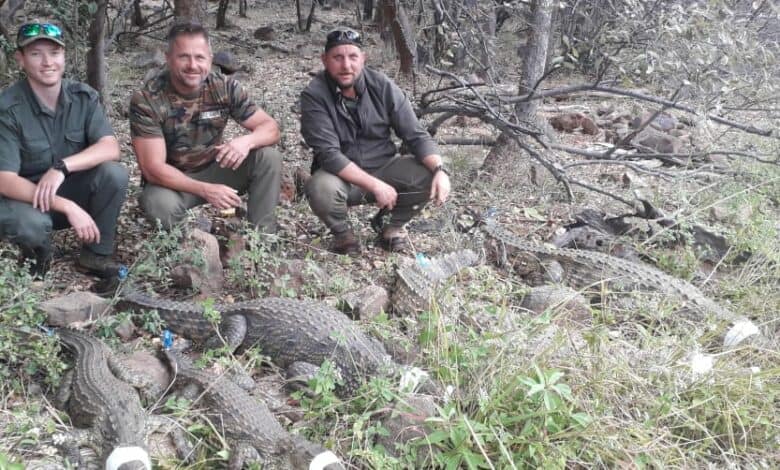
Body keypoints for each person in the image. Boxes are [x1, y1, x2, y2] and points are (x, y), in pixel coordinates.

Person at [300, 27, 450, 254]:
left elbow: (416, 134)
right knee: (320, 188)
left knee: (429, 175)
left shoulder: (382, 85)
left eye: (353, 57)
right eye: (337, 57)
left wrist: (440, 170)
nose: (346, 65)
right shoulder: (314, 94)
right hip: (341, 177)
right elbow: (329, 155)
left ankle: (391, 227)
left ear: (363, 58)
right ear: (324, 60)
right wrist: (375, 185)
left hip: (384, 166)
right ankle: (343, 236)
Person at [0, 22, 128, 276]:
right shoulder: (7, 109)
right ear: (20, 59)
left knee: (114, 174)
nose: (47, 62)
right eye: (36, 54)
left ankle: (96, 255)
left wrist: (62, 168)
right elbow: (5, 181)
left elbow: (110, 146)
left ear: (64, 56)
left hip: (65, 187)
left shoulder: (83, 97)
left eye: (54, 53)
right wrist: (68, 206)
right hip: (23, 201)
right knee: (32, 225)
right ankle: (35, 260)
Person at [130, 21, 282, 233]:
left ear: (210, 59)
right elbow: (152, 168)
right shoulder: (147, 99)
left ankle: (263, 237)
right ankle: (188, 245)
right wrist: (206, 190)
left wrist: (246, 142)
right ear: (168, 58)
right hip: (173, 181)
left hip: (215, 167)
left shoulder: (224, 86)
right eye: (184, 57)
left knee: (268, 157)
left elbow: (271, 128)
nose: (193, 65)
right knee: (158, 204)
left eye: (200, 57)